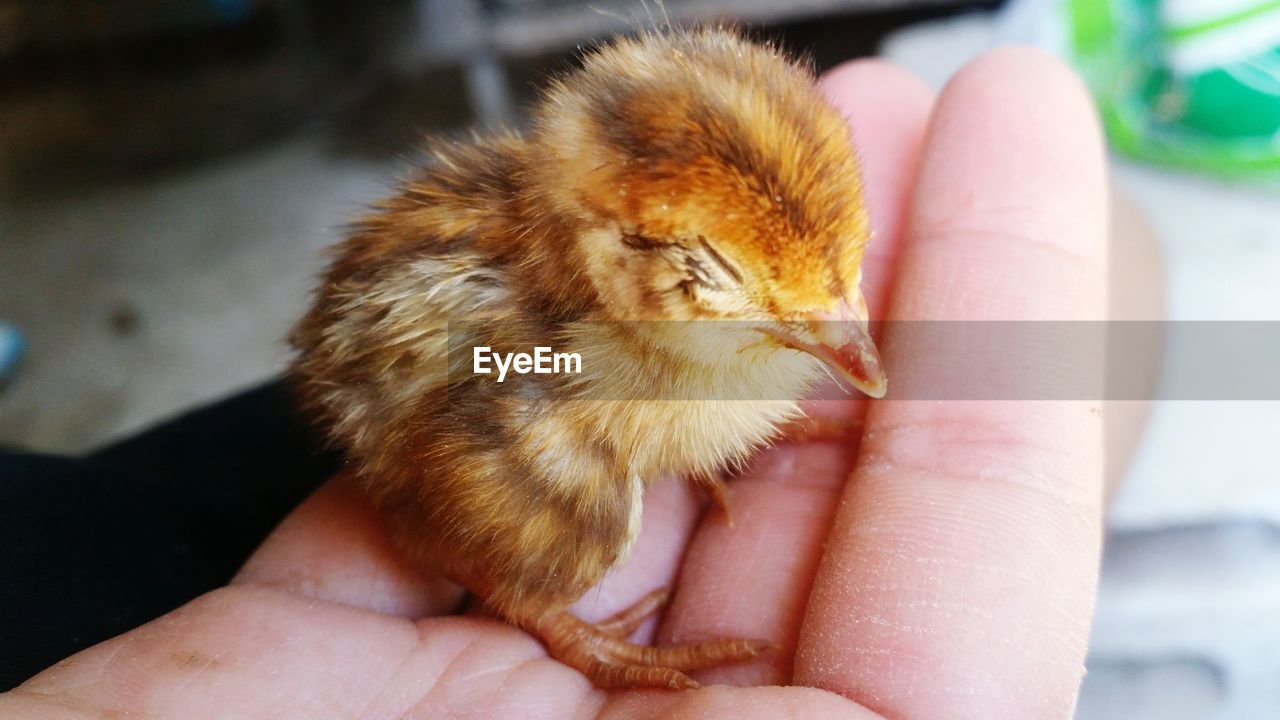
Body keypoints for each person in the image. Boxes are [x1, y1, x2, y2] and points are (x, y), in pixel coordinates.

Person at [0, 48, 1114, 718]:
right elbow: (484, 378)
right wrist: (564, 622)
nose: (847, 334)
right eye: (722, 275)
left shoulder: (664, 294)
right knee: (559, 507)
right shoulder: (552, 358)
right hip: (489, 377)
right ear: (612, 243)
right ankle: (526, 591)